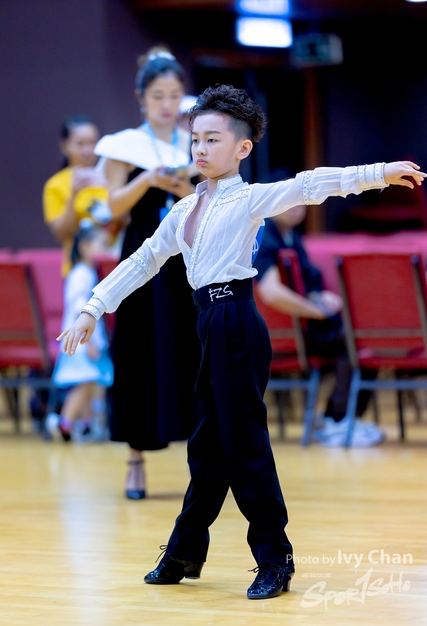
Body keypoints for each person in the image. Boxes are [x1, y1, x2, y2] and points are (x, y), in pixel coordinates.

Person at [57, 83, 426, 600]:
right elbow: (142, 260)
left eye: (212, 139)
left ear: (242, 148)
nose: (200, 149)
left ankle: (275, 559)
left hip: (236, 322)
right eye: (196, 140)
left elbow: (310, 185)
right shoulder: (183, 211)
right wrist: (92, 307)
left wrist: (379, 173)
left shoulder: (250, 198)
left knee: (244, 444)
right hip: (206, 324)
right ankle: (184, 550)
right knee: (207, 448)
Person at [92, 45, 200, 500]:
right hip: (142, 251)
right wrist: (147, 180)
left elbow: (209, 197)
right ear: (141, 97)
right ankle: (135, 461)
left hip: (188, 253)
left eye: (174, 95)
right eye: (158, 96)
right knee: (139, 349)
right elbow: (112, 206)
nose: (167, 104)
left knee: (193, 348)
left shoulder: (196, 139)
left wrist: (181, 185)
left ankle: (203, 463)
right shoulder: (124, 145)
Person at [253, 203, 385, 446]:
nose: (295, 207)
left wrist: (319, 297)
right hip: (283, 334)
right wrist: (315, 311)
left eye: (298, 200)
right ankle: (337, 421)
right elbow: (271, 293)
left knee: (363, 338)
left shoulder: (291, 236)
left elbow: (302, 283)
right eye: (287, 200)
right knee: (354, 341)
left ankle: (337, 419)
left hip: (305, 326)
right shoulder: (263, 237)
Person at [46, 220, 114, 442]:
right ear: (85, 246)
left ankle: (86, 424)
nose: (105, 250)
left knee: (89, 383)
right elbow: (79, 307)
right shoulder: (82, 274)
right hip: (83, 342)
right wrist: (90, 342)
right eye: (102, 245)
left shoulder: (86, 272)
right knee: (85, 383)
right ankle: (65, 422)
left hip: (85, 340)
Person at [42, 115, 119, 277]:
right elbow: (61, 233)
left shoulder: (111, 177)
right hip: (78, 269)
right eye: (80, 144)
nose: (87, 150)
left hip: (115, 267)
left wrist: (108, 186)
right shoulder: (55, 185)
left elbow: (124, 220)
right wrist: (74, 193)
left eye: (92, 143)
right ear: (64, 146)